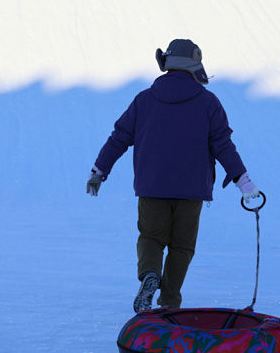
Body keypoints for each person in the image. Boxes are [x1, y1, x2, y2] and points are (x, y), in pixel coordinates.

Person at [86, 38, 260, 312]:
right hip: (191, 191)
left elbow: (119, 137)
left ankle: (150, 274)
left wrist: (99, 170)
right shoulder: (208, 102)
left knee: (151, 238)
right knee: (181, 247)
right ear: (195, 65)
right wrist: (244, 182)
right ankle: (169, 302)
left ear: (166, 63)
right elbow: (223, 145)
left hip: (152, 186)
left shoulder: (144, 99)